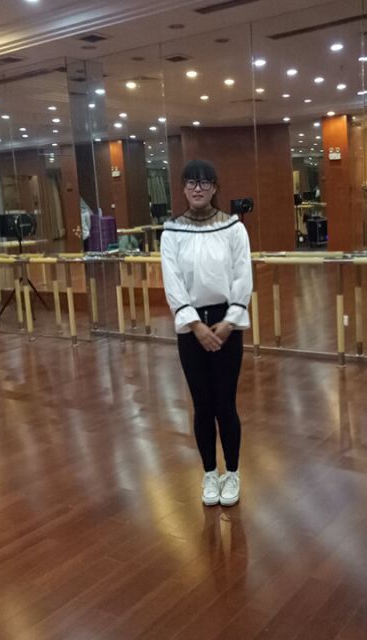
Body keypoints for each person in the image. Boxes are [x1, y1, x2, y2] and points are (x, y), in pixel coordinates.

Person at [160, 159, 252, 507]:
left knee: (225, 402)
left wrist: (229, 323)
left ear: (215, 187)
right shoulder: (171, 232)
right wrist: (195, 325)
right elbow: (173, 282)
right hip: (191, 327)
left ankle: (233, 472)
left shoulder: (233, 228)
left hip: (227, 323)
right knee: (202, 404)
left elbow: (242, 275)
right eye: (191, 182)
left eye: (204, 182)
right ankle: (210, 473)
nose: (197, 188)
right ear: (183, 188)